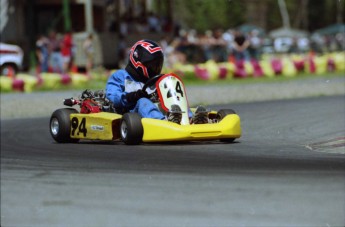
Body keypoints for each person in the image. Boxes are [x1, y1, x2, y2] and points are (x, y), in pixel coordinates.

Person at [105, 39, 208, 124]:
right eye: (152, 65)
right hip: (131, 113)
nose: (156, 68)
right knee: (143, 101)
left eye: (158, 65)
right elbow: (112, 97)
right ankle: (162, 122)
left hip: (154, 111)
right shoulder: (120, 76)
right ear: (138, 63)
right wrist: (132, 96)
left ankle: (190, 119)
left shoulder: (156, 80)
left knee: (176, 100)